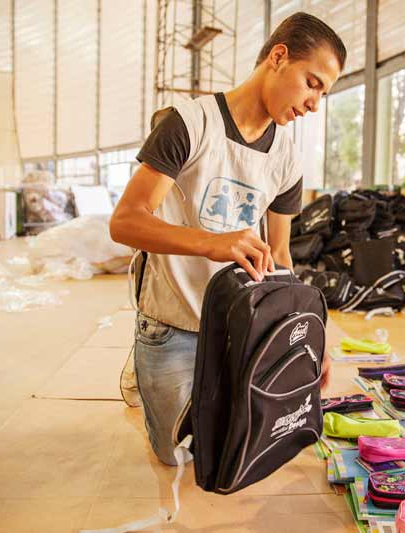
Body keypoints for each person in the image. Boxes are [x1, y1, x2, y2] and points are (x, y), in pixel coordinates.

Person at [109, 12, 346, 465]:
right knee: (177, 457)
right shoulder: (189, 124)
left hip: (239, 321)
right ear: (278, 57)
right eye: (312, 82)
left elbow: (278, 253)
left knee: (232, 446)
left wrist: (306, 340)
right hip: (171, 320)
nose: (315, 103)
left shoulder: (286, 158)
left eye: (324, 93)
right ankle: (143, 362)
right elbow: (125, 222)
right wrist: (211, 242)